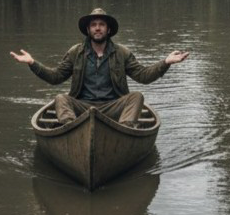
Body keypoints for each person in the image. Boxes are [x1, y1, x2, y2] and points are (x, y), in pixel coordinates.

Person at [10, 8, 189, 127]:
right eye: (94, 25)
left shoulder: (122, 53)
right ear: (88, 30)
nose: (97, 28)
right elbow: (56, 77)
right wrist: (32, 63)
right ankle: (72, 130)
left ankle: (123, 130)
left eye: (101, 25)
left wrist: (165, 62)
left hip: (113, 107)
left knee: (136, 96)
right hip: (83, 107)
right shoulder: (76, 52)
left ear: (108, 30)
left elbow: (143, 76)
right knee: (60, 98)